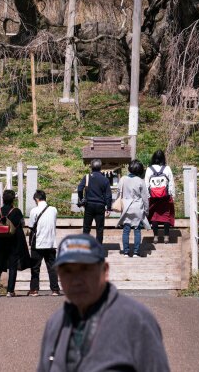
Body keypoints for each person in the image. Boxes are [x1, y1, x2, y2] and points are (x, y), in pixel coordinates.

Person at [37, 234, 171, 372]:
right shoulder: (56, 322)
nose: (76, 280)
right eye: (67, 271)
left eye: (85, 269)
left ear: (105, 270)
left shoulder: (136, 320)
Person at [0, 189, 29, 297]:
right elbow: (22, 223)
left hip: (0, 242)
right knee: (12, 266)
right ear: (13, 200)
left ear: (3, 199)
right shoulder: (16, 211)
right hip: (13, 242)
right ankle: (10, 291)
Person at [28, 189, 61, 296]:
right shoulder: (54, 210)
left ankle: (34, 290)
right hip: (51, 242)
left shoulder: (34, 211)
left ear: (37, 199)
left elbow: (31, 226)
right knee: (52, 267)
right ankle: (55, 289)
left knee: (35, 268)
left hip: (38, 243)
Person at [116, 159, 149, 258]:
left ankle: (126, 252)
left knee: (126, 230)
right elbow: (145, 198)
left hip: (126, 208)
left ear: (129, 168)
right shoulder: (141, 181)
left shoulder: (123, 179)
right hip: (137, 208)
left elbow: (118, 193)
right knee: (137, 230)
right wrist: (146, 211)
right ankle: (136, 252)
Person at [76, 159, 112, 243]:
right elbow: (108, 195)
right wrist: (108, 208)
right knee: (99, 228)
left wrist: (81, 199)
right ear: (100, 168)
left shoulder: (87, 177)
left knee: (86, 227)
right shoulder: (105, 180)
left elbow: (80, 189)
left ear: (91, 167)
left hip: (89, 205)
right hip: (100, 206)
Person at [145, 149, 176, 243]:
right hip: (165, 196)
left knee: (154, 216)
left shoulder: (149, 169)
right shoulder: (167, 168)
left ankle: (156, 237)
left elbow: (146, 184)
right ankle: (166, 236)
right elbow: (171, 183)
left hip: (153, 196)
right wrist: (172, 195)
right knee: (166, 215)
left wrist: (147, 196)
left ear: (154, 158)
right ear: (163, 158)